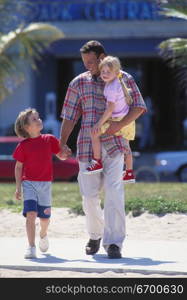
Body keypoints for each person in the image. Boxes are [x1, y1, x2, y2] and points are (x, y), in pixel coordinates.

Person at [60, 40, 146, 259]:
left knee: (114, 191)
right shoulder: (78, 82)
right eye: (84, 62)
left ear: (102, 57)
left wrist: (119, 125)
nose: (88, 66)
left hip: (116, 143)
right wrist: (62, 143)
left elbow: (139, 106)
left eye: (91, 61)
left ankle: (114, 243)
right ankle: (95, 235)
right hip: (88, 145)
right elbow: (70, 116)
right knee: (89, 196)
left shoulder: (124, 78)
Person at [13, 108, 67, 259]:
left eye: (38, 117)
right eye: (34, 119)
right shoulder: (23, 146)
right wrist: (18, 187)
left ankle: (43, 234)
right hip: (29, 183)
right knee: (31, 214)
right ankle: (31, 246)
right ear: (27, 127)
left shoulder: (49, 139)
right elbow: (18, 167)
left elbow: (61, 156)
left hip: (45, 184)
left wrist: (65, 153)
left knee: (45, 219)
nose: (39, 120)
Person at [84, 55, 136, 183]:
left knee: (94, 133)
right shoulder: (117, 82)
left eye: (108, 72)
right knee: (126, 148)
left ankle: (97, 161)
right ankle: (129, 173)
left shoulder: (111, 87)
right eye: (103, 71)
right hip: (126, 120)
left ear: (116, 73)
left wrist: (99, 123)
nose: (105, 74)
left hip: (118, 120)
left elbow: (110, 108)